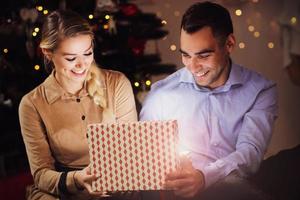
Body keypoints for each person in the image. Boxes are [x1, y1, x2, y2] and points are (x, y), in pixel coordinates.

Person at [140, 1, 278, 199]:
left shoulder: (260, 90)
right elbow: (144, 159)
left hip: (234, 191)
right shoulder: (162, 94)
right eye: (186, 55)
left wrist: (204, 177)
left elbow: (250, 155)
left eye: (203, 55)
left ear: (229, 44)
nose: (193, 67)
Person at [19, 10, 137, 200]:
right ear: (48, 53)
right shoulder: (32, 104)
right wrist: (76, 179)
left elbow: (131, 151)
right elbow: (41, 174)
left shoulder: (117, 84)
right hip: (64, 190)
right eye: (71, 58)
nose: (83, 65)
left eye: (88, 53)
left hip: (116, 186)